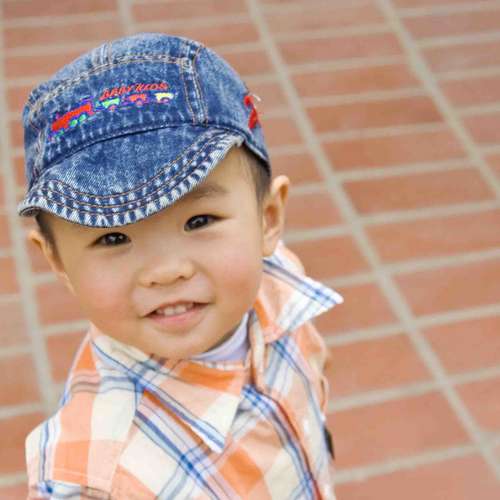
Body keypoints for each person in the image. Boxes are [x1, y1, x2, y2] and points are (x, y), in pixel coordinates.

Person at [18, 32, 344, 499]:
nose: (166, 270)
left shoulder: (279, 281)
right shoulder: (93, 479)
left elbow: (311, 367)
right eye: (113, 237)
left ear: (268, 219)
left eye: (199, 220)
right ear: (57, 261)